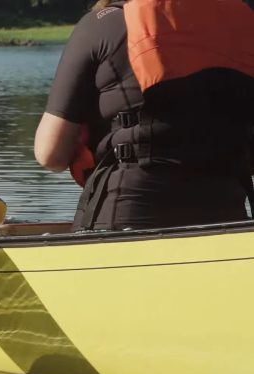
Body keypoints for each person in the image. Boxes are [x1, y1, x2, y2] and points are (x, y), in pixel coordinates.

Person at [34, 0, 254, 231]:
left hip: (126, 213)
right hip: (228, 216)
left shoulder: (105, 24)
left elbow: (50, 154)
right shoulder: (244, 21)